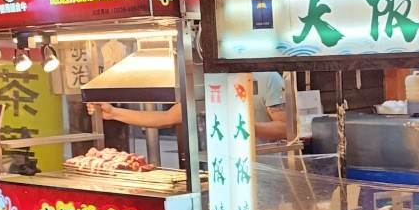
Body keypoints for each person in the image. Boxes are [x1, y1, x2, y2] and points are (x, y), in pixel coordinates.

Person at [88, 71, 289, 141]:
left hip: (263, 170)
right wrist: (113, 113)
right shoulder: (211, 81)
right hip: (221, 174)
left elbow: (284, 128)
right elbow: (167, 118)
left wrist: (239, 129)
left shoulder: (268, 78)